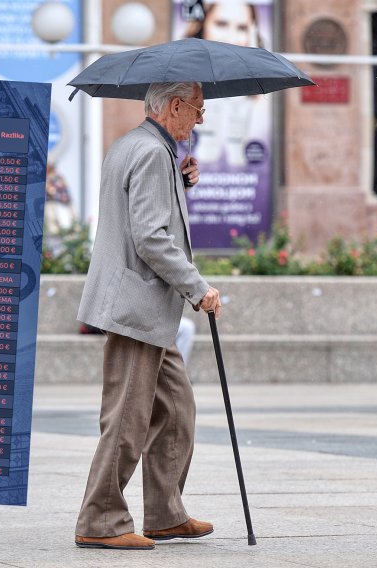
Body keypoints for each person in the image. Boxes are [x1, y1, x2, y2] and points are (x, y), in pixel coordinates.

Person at [74, 82, 222, 551]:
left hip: (146, 309)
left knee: (176, 407)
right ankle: (100, 519)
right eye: (197, 109)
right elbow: (151, 237)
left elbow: (138, 215)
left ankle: (165, 513)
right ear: (175, 106)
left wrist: (179, 182)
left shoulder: (135, 145)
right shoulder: (154, 153)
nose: (200, 119)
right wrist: (197, 288)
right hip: (136, 307)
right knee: (127, 417)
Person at [183, 1, 266, 166]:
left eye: (242, 28)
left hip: (242, 178)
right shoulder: (182, 78)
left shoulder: (258, 90)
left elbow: (240, 156)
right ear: (202, 24)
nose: (231, 38)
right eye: (221, 24)